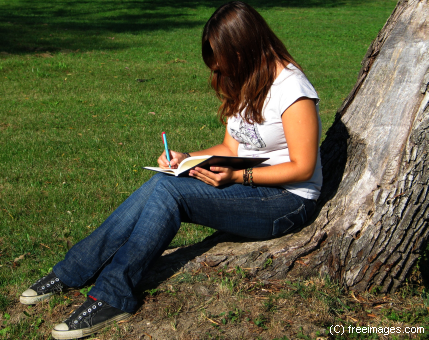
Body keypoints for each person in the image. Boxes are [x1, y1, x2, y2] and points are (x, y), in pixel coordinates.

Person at [19, 1, 322, 339]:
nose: (219, 70)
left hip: (287, 200)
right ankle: (72, 270)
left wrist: (237, 176)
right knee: (165, 179)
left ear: (245, 47)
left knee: (170, 192)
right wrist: (187, 158)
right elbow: (230, 149)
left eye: (224, 60)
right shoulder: (247, 79)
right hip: (249, 185)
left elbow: (303, 166)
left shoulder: (292, 89)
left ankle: (113, 295)